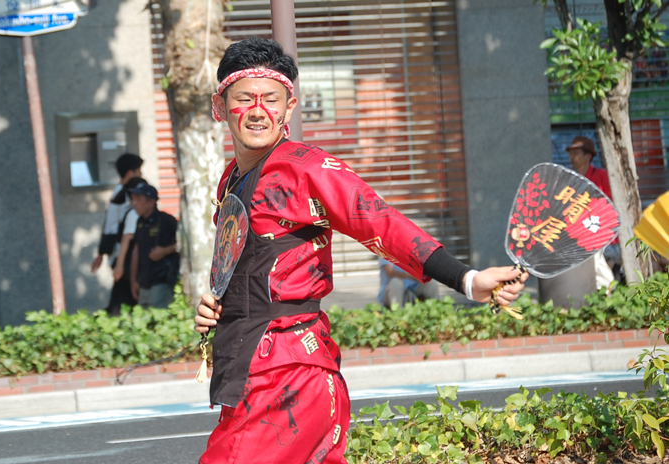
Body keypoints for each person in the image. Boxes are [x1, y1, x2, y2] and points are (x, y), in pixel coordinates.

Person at [192, 37, 527, 464]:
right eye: (244, 98)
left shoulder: (306, 169)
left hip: (288, 376)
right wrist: (217, 303)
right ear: (220, 106)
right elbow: (248, 264)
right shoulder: (229, 180)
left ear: (289, 108)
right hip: (253, 368)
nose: (258, 111)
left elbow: (380, 220)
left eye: (271, 99)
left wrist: (466, 279)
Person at [91, 153, 144, 314]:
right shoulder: (122, 194)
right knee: (123, 294)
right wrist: (104, 253)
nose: (141, 174)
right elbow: (111, 226)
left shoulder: (124, 191)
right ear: (130, 173)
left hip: (125, 252)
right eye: (138, 170)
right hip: (123, 252)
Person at [565, 136, 620, 288]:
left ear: (588, 156)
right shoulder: (569, 181)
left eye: (576, 153)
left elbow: (612, 209)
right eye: (570, 153)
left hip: (604, 237)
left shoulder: (602, 176)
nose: (571, 157)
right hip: (578, 238)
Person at [128, 183, 179, 308]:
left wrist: (165, 251)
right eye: (133, 199)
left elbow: (184, 243)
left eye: (138, 199)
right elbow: (136, 250)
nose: (134, 203)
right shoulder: (140, 222)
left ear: (151, 202)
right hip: (144, 282)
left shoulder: (166, 220)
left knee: (159, 321)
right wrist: (133, 280)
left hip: (161, 282)